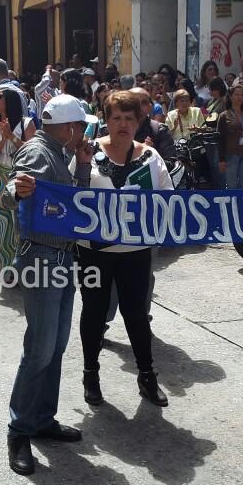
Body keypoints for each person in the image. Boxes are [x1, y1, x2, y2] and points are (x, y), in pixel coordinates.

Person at [3, 94, 97, 476]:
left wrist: (85, 167)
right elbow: (12, 188)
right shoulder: (40, 152)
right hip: (43, 257)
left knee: (55, 346)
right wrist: (16, 189)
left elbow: (74, 200)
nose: (84, 132)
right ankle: (19, 429)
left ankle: (41, 418)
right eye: (81, 126)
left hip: (59, 257)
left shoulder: (57, 151)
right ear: (70, 126)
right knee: (41, 349)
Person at [74, 91, 171, 409]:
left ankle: (147, 375)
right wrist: (83, 166)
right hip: (94, 252)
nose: (123, 124)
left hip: (135, 252)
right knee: (93, 313)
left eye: (130, 118)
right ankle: (91, 374)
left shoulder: (151, 157)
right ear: (106, 119)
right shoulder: (87, 153)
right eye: (117, 117)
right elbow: (74, 198)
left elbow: (169, 200)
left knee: (137, 316)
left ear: (139, 121)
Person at [0, 83, 36, 268]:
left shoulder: (27, 124)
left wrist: (11, 136)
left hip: (20, 178)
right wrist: (2, 141)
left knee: (22, 224)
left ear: (10, 101)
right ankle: (9, 267)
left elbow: (33, 153)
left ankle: (25, 266)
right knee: (4, 224)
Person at [218, 83, 243, 190]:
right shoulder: (224, 115)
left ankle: (242, 206)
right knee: (232, 185)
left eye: (242, 95)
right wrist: (221, 159)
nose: (240, 97)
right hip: (231, 154)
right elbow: (220, 138)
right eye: (236, 95)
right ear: (230, 97)